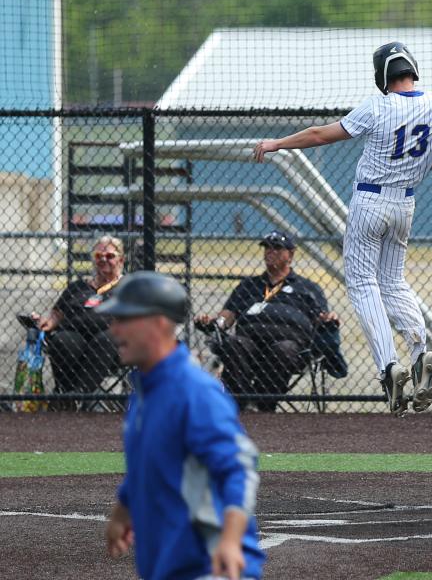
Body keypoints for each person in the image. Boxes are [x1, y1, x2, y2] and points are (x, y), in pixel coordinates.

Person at [253, 42, 432, 416]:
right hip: (406, 202)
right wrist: (431, 163)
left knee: (362, 283)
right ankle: (419, 351)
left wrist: (277, 143)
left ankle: (389, 365)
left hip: (371, 200)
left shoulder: (378, 105)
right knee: (394, 282)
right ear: (413, 69)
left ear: (381, 76)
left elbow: (321, 135)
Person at [100, 271, 265, 580]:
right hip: (169, 565)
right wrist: (122, 512)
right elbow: (146, 465)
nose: (114, 329)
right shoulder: (143, 393)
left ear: (160, 324)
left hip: (211, 566)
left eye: (124, 319)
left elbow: (239, 468)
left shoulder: (195, 392)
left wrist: (230, 542)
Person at [194, 230, 348, 412]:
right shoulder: (248, 286)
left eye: (277, 247)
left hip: (291, 345)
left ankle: (264, 405)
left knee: (283, 350)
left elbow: (321, 317)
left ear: (290, 254)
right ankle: (242, 403)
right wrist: (215, 323)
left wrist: (328, 318)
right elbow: (227, 315)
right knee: (234, 343)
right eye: (267, 247)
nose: (270, 251)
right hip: (250, 342)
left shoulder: (308, 288)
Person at [33, 235, 124, 408]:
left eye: (110, 256)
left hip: (112, 349)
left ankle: (81, 395)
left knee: (108, 338)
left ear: (121, 259)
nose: (103, 259)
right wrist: (47, 322)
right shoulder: (77, 287)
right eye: (98, 256)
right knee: (62, 339)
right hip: (76, 339)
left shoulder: (128, 287)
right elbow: (56, 315)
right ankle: (67, 396)